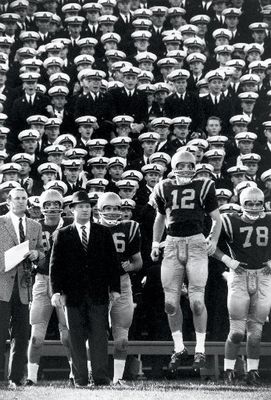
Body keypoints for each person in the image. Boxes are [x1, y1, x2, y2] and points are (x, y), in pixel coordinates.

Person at [151, 151, 222, 372]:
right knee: (170, 303)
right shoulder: (163, 187)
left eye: (190, 165)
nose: (185, 169)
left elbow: (216, 218)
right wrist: (155, 243)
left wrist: (213, 239)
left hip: (196, 243)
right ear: (173, 166)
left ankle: (200, 349)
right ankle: (179, 347)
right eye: (180, 164)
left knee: (197, 302)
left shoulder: (204, 185)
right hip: (172, 243)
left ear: (195, 166)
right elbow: (160, 217)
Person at [49, 190, 121, 387]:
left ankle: (101, 378)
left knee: (99, 336)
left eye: (88, 206)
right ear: (72, 210)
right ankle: (80, 379)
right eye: (80, 206)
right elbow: (55, 266)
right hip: (72, 295)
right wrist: (56, 291)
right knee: (76, 337)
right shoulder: (63, 235)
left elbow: (113, 263)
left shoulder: (103, 232)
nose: (85, 210)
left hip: (98, 294)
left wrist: (115, 288)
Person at [213, 186, 271, 385]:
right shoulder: (229, 220)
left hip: (264, 277)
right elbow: (210, 245)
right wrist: (229, 262)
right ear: (240, 203)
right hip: (239, 276)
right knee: (237, 331)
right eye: (249, 203)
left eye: (258, 203)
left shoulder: (270, 219)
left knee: (256, 333)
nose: (254, 207)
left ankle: (252, 371)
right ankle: (229, 370)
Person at [26, 189, 73, 386]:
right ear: (41, 207)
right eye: (48, 204)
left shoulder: (71, 226)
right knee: (36, 334)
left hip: (64, 282)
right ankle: (31, 377)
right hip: (41, 279)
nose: (52, 207)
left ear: (62, 206)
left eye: (56, 203)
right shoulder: (34, 227)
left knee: (68, 333)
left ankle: (75, 372)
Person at [0, 187, 44, 389]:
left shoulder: (35, 226)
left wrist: (36, 255)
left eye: (24, 198)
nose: (21, 201)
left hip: (24, 286)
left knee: (21, 334)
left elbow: (42, 252)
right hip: (2, 284)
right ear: (8, 202)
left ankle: (15, 378)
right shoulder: (0, 223)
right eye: (16, 198)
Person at [97, 191, 142, 385]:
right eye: (108, 208)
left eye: (116, 208)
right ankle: (92, 374)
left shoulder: (130, 227)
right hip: (97, 284)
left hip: (122, 282)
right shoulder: (90, 228)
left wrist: (130, 267)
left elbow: (138, 261)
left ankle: (118, 378)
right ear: (99, 210)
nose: (113, 212)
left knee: (122, 336)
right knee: (95, 333)